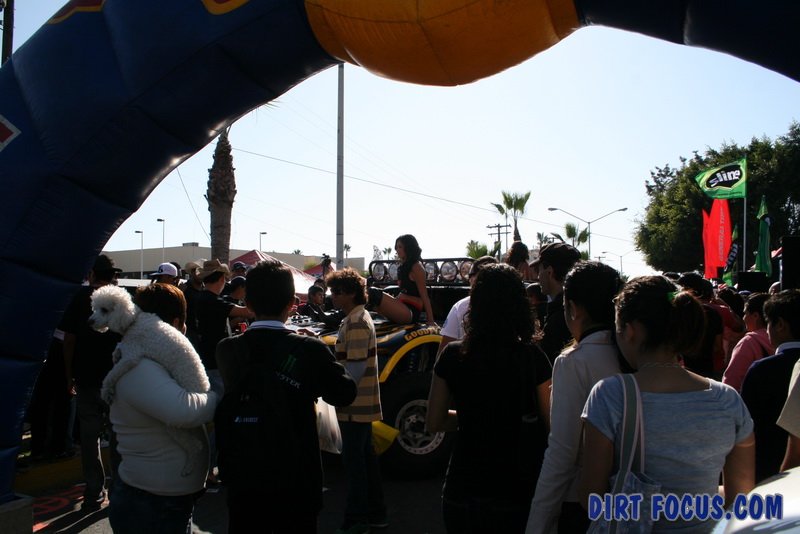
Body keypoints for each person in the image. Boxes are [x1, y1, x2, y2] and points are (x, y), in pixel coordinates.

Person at [579, 276, 755, 532]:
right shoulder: (727, 399)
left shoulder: (610, 394)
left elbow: (590, 496)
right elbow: (740, 500)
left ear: (630, 330)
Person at [215, 260, 357, 533]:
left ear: (248, 303)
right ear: (292, 303)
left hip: (244, 475)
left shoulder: (227, 350)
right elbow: (345, 393)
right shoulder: (309, 349)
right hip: (296, 477)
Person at [427, 263, 552, 533]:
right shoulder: (533, 357)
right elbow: (550, 423)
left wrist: (471, 417)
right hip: (515, 487)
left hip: (462, 486)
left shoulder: (452, 355)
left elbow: (434, 420)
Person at [105, 283, 218, 534]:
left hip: (163, 500)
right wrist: (215, 398)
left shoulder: (154, 361)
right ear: (177, 323)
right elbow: (184, 411)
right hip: (151, 503)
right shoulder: (140, 366)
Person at [529, 261, 623, 534]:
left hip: (582, 501)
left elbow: (562, 452)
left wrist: (537, 523)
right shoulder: (633, 354)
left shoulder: (573, 362)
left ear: (574, 308)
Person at [326, 268, 388, 534]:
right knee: (365, 462)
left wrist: (334, 392)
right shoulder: (356, 318)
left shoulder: (356, 322)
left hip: (354, 407)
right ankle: (375, 514)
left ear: (351, 293)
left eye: (337, 292)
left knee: (355, 466)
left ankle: (358, 519)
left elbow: (355, 370)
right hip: (358, 406)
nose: (332, 296)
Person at [61, 254, 123, 511]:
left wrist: (69, 375)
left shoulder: (79, 298)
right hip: (116, 380)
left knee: (89, 437)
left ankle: (94, 491)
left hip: (86, 378)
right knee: (119, 437)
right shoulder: (121, 300)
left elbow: (69, 340)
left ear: (92, 274)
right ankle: (119, 490)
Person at [741, 289, 800, 482]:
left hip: (768, 470)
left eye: (768, 324)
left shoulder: (762, 370)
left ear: (780, 325)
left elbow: (746, 425)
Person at [368, 234, 436, 326]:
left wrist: (431, 320)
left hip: (410, 311)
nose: (397, 250)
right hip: (401, 306)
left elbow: (424, 296)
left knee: (374, 293)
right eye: (396, 247)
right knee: (366, 292)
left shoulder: (417, 266)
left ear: (409, 247)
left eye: (400, 247)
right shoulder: (403, 267)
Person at [436, 255, 497, 354]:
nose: (469, 279)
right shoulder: (512, 307)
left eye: (471, 274)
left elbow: (443, 352)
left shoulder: (460, 307)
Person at [532, 243, 581, 364]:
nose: (538, 277)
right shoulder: (582, 309)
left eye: (539, 270)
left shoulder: (560, 316)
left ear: (549, 272)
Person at [722, 292, 773, 392]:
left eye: (745, 313)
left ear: (755, 316)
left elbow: (731, 382)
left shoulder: (748, 343)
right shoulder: (784, 339)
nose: (743, 318)